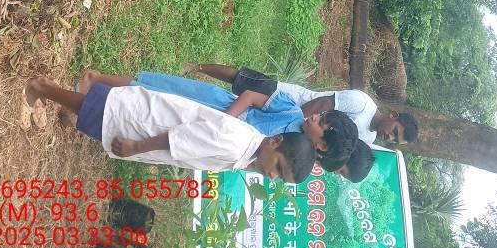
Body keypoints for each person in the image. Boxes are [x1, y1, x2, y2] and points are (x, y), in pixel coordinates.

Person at [24, 72, 315, 182]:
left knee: (97, 111)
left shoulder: (249, 146)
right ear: (275, 141)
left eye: (280, 178)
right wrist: (136, 147)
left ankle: (50, 90)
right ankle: (42, 87)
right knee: (94, 110)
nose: (272, 175)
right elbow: (182, 138)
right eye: (278, 168)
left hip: (151, 121)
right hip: (148, 123)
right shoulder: (236, 144)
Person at [189, 64, 419, 146]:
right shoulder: (362, 104)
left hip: (292, 128)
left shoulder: (367, 139)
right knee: (241, 80)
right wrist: (288, 119)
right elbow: (320, 103)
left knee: (235, 110)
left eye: (394, 140)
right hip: (286, 100)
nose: (389, 137)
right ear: (393, 116)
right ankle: (196, 67)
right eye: (395, 132)